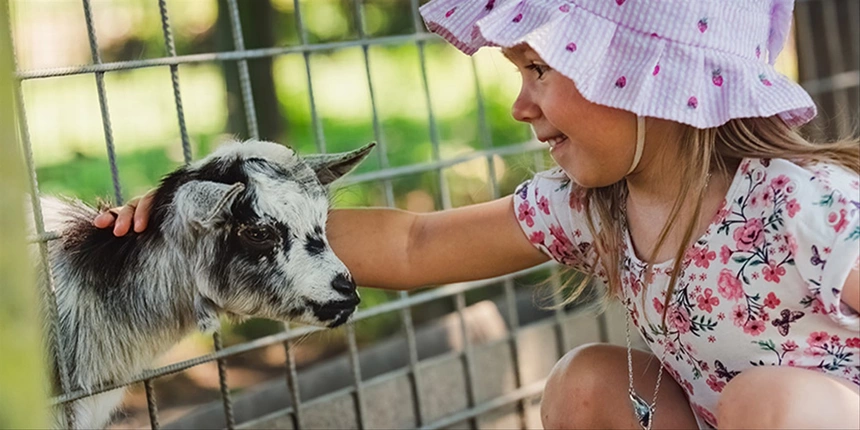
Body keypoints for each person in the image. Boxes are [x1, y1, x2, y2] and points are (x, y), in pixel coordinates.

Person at [94, 0, 860, 428]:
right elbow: (417, 244)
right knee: (586, 382)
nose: (521, 103)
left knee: (774, 398)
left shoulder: (800, 203)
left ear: (645, 78)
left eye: (538, 69)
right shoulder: (591, 207)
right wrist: (201, 225)